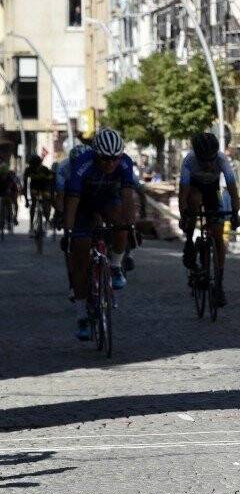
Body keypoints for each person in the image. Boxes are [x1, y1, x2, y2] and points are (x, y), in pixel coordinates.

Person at [63, 129, 138, 340]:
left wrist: (130, 226)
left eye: (115, 158)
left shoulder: (125, 163)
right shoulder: (82, 164)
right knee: (80, 255)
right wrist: (68, 232)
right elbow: (72, 202)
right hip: (83, 204)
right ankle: (82, 317)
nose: (110, 163)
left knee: (122, 224)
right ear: (96, 154)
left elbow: (127, 198)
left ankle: (114, 267)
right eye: (105, 158)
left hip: (108, 199)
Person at [178, 132, 240, 307]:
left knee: (219, 236)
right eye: (203, 160)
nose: (207, 163)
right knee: (194, 200)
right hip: (195, 188)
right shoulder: (189, 161)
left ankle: (219, 284)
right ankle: (189, 244)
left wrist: (235, 212)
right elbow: (183, 194)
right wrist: (184, 215)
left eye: (210, 159)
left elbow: (232, 189)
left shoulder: (222, 160)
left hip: (213, 191)